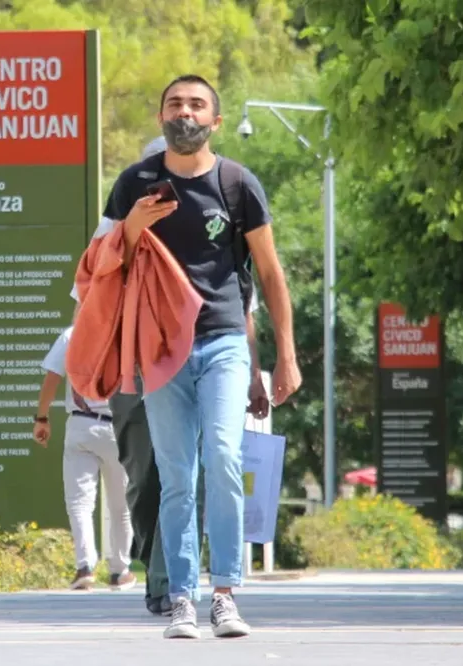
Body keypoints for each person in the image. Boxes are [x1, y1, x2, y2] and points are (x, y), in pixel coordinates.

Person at [105, 74, 300, 639]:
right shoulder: (134, 184)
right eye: (174, 104)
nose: (184, 112)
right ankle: (182, 598)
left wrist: (284, 356)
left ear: (215, 121)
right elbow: (103, 267)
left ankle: (226, 594)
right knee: (176, 474)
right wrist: (133, 229)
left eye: (196, 105)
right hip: (158, 347)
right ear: (161, 116)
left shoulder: (237, 183)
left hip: (221, 341)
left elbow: (268, 273)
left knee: (221, 453)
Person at [69, 135, 270, 617]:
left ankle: (176, 586)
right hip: (136, 366)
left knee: (206, 465)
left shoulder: (220, 219)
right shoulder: (124, 211)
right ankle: (159, 570)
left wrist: (256, 374)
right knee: (145, 480)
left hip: (212, 352)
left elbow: (246, 309)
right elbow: (90, 285)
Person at [33, 326, 137, 592]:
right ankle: (119, 570)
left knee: (79, 503)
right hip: (117, 427)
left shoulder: (72, 334)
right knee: (121, 505)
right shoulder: (123, 330)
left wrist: (42, 418)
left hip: (80, 424)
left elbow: (52, 379)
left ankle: (85, 567)